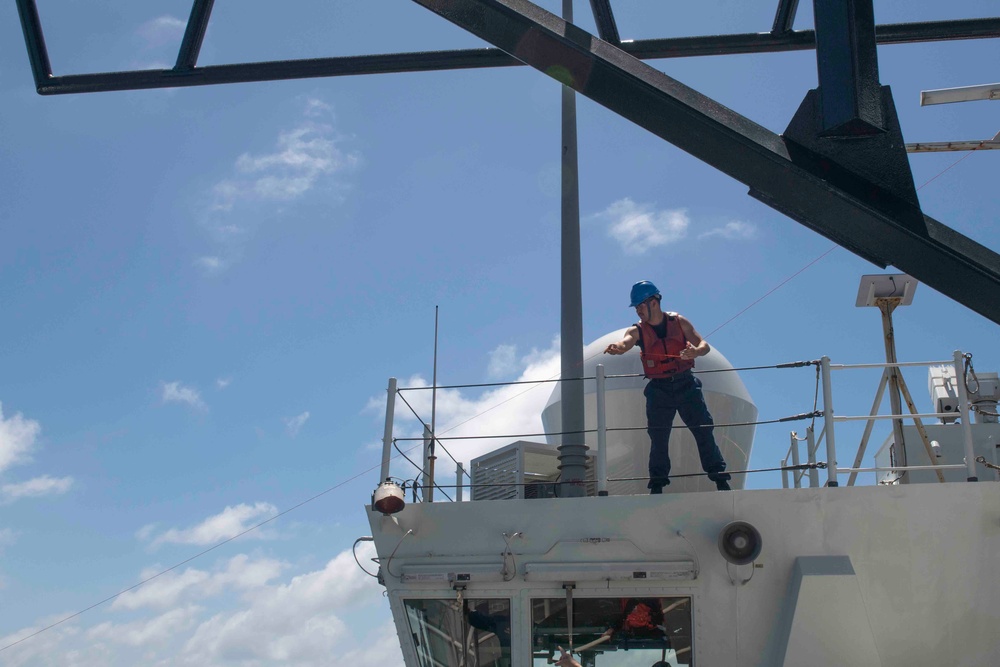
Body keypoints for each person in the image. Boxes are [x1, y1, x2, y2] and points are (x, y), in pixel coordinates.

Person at [604, 280, 731, 493]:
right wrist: (618, 348)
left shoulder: (679, 322)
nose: (638, 311)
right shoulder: (637, 331)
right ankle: (657, 483)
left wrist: (696, 352)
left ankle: (719, 477)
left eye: (640, 306)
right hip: (659, 390)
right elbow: (626, 342)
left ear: (653, 302)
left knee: (703, 430)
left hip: (686, 384)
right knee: (658, 436)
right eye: (636, 307)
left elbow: (703, 345)